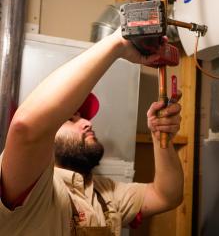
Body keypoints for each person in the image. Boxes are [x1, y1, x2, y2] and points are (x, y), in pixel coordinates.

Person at [0, 28, 183, 236]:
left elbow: (167, 196)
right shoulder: (34, 189)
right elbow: (27, 129)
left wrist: (161, 137)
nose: (88, 122)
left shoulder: (105, 193)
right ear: (47, 137)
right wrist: (118, 44)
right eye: (71, 119)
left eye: (84, 117)